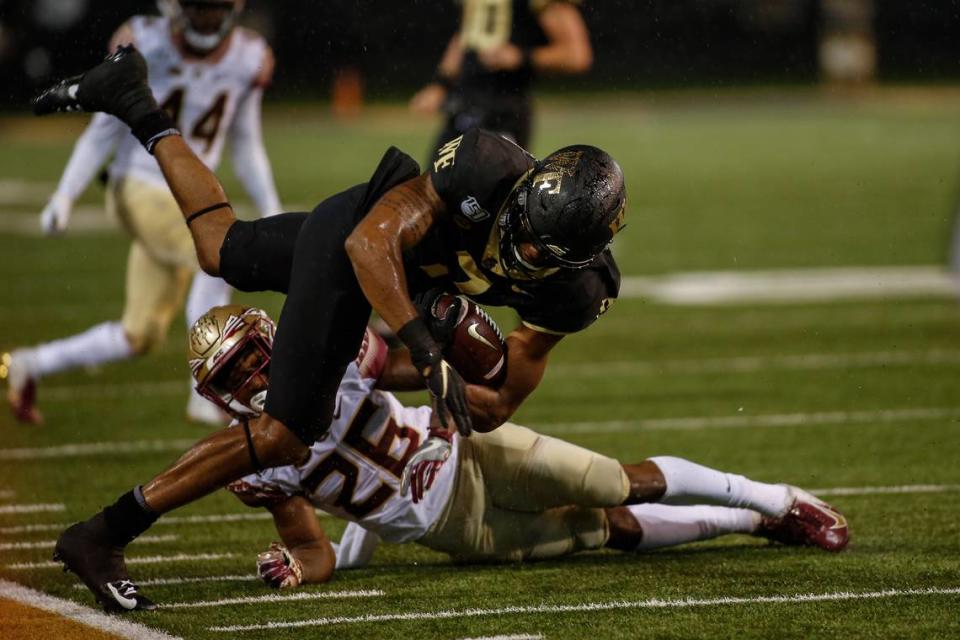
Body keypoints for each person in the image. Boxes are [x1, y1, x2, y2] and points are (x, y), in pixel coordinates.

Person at [34, 45, 626, 612]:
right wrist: (424, 348)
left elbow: (500, 398)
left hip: (402, 279)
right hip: (358, 243)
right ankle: (104, 533)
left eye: (540, 250)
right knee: (284, 436)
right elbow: (368, 243)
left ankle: (132, 98)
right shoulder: (484, 166)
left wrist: (451, 381)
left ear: (578, 259)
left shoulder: (577, 293)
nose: (521, 249)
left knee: (220, 248)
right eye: (519, 228)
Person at [189, 305, 848, 589]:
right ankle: (751, 523)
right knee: (609, 530)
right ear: (218, 396)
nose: (251, 378)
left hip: (469, 451)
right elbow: (313, 547)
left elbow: (421, 365)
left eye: (250, 359)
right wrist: (301, 567)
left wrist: (449, 370)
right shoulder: (253, 464)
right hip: (454, 532)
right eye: (232, 377)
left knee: (614, 482)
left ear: (271, 339)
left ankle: (778, 499)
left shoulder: (337, 355)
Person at [2, 0, 281, 427]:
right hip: (138, 183)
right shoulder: (143, 41)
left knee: (140, 333)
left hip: (186, 196)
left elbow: (246, 142)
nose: (206, 18)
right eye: (199, 8)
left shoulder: (248, 56)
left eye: (214, 9)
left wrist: (271, 205)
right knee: (219, 251)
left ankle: (29, 364)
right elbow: (103, 129)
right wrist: (64, 195)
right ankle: (204, 393)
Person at [410, 0, 593, 150]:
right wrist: (440, 84)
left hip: (505, 112)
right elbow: (466, 36)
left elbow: (577, 55)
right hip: (462, 108)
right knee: (433, 189)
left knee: (489, 191)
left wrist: (521, 57)